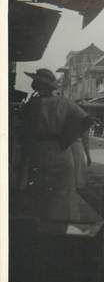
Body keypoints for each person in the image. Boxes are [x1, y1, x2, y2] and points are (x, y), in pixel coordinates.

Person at [19, 68, 93, 221]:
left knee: (40, 197)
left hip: (38, 153)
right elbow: (86, 120)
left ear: (37, 85)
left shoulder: (31, 105)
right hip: (61, 151)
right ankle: (63, 234)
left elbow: (25, 133)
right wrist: (67, 137)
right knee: (63, 198)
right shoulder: (64, 102)